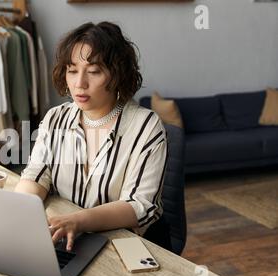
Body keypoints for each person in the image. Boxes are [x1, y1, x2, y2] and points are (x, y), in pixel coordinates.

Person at [14, 21, 167, 252]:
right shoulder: (57, 118)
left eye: (94, 72)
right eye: (72, 70)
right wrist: (19, 210)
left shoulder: (146, 125)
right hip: (68, 238)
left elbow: (140, 206)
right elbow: (37, 175)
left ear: (118, 74)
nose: (79, 84)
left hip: (126, 244)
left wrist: (78, 220)